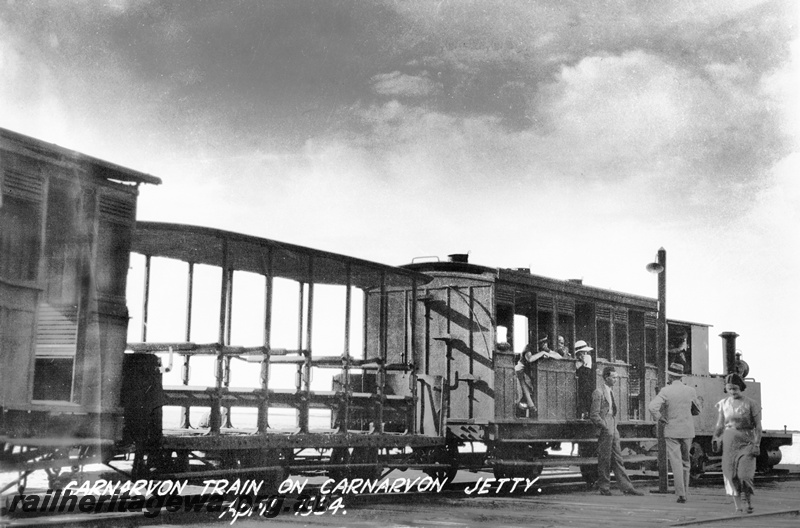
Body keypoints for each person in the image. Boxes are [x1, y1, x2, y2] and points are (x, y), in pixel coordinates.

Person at [647, 362, 700, 503]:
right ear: (681, 376)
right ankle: (686, 493)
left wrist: (660, 418)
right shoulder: (690, 391)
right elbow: (697, 410)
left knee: (675, 462)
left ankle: (680, 494)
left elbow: (652, 406)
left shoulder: (666, 391)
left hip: (671, 429)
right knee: (686, 462)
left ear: (670, 376)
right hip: (687, 430)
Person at [590, 366, 644, 496]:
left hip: (613, 426)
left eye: (616, 377)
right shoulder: (598, 392)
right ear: (606, 377)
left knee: (618, 458)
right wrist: (604, 426)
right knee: (605, 458)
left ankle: (627, 487)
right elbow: (594, 414)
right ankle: (604, 488)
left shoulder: (611, 392)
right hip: (607, 426)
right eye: (613, 377)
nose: (616, 379)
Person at [712, 373, 762, 514]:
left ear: (741, 387)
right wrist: (715, 437)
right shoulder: (723, 404)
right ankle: (738, 506)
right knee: (730, 474)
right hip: (729, 441)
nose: (733, 392)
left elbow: (758, 427)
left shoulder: (751, 404)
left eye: (735, 388)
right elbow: (720, 424)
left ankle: (748, 500)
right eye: (729, 389)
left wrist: (757, 443)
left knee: (744, 475)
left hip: (747, 440)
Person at [574, 340, 594, 418]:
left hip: (586, 381)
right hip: (579, 382)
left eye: (586, 352)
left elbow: (586, 371)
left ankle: (586, 413)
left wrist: (582, 362)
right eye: (583, 352)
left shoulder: (588, 358)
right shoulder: (577, 360)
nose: (585, 354)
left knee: (586, 394)